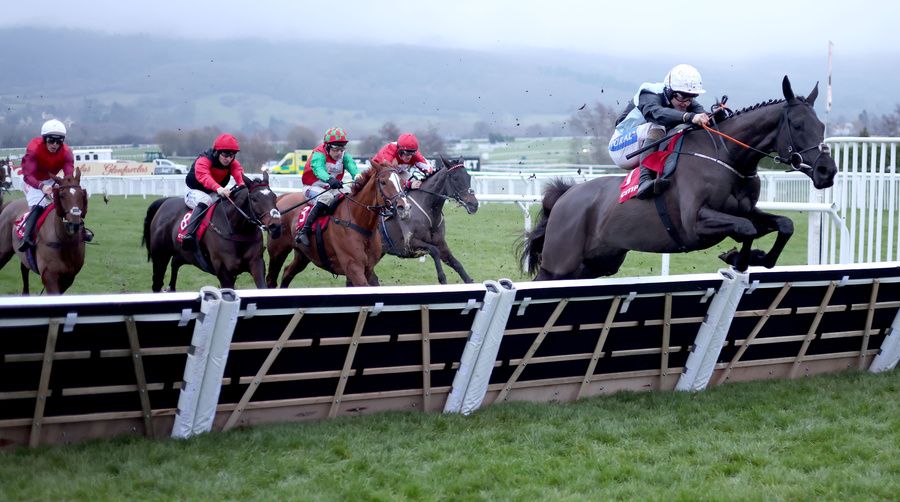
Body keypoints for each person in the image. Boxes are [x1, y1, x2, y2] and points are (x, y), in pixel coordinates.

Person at [608, 64, 711, 199]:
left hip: (643, 143)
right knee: (657, 126)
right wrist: (690, 116)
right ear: (669, 90)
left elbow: (703, 116)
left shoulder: (684, 99)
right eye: (682, 96)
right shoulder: (649, 93)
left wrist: (716, 116)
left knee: (686, 128)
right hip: (621, 147)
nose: (686, 103)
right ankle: (644, 181)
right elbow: (657, 114)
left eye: (691, 97)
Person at [18, 119, 84, 251]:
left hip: (51, 179)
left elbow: (68, 176)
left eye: (59, 141)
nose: (55, 144)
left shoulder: (66, 152)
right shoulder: (34, 148)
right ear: (44, 139)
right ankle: (27, 237)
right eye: (51, 140)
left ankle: (79, 230)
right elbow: (28, 175)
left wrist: (68, 187)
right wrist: (41, 186)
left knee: (69, 201)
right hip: (32, 180)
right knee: (39, 205)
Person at [296, 127, 361, 246]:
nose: (339, 153)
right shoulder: (318, 154)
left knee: (349, 195)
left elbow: (352, 167)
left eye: (342, 149)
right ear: (327, 146)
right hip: (311, 187)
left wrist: (357, 177)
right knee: (326, 198)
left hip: (331, 187)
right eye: (336, 149)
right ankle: (304, 231)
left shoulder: (344, 156)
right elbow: (319, 169)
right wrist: (329, 179)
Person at [181, 133, 245, 251]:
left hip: (212, 191)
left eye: (232, 155)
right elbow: (204, 176)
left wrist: (243, 186)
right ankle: (189, 235)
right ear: (217, 152)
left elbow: (240, 176)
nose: (229, 158)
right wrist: (218, 188)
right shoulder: (204, 160)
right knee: (206, 200)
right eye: (225, 154)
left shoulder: (232, 164)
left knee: (227, 202)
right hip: (193, 190)